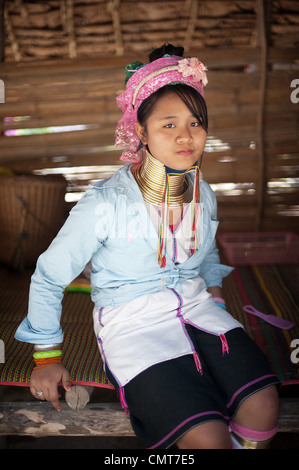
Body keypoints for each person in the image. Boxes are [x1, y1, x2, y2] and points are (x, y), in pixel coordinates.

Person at [15, 44, 279, 449]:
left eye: (195, 123)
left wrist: (216, 303)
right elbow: (49, 276)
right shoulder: (104, 202)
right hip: (131, 324)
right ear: (141, 131)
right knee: (208, 438)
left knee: (263, 405)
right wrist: (47, 357)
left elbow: (206, 253)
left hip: (198, 308)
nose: (186, 136)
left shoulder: (202, 192)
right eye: (169, 125)